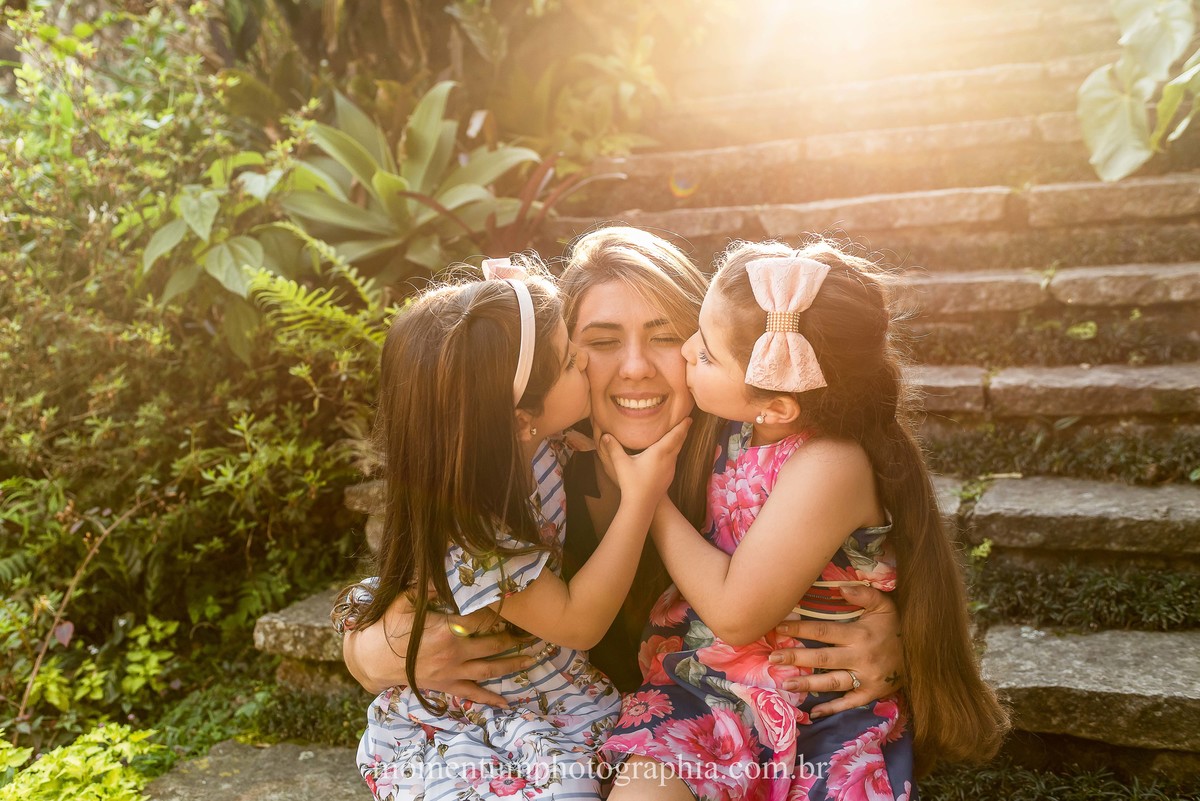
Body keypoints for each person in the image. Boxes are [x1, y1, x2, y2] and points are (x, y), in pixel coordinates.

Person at [338, 228, 907, 776]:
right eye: (602, 342)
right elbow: (419, 571)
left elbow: (869, 564)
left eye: (666, 337)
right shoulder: (532, 459)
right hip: (579, 740)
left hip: (716, 729)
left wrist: (907, 641)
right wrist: (370, 651)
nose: (635, 366)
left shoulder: (755, 461)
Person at [603, 240, 1010, 801]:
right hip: (705, 695)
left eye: (709, 353)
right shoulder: (737, 421)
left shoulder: (829, 464)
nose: (687, 350)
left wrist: (646, 496)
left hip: (819, 706)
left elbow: (736, 614)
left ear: (777, 405)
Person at [345, 257, 691, 800]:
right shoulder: (474, 525)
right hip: (490, 718)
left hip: (555, 697)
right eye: (576, 356)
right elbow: (578, 623)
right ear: (521, 417)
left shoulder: (536, 451)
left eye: (665, 334)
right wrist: (642, 498)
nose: (590, 363)